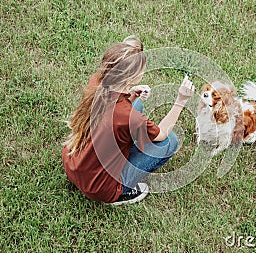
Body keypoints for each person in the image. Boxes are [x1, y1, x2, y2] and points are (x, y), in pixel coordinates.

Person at [62, 35, 194, 205]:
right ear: (132, 77)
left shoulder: (97, 81)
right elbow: (161, 135)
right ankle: (121, 193)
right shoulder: (128, 117)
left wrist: (129, 95)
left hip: (73, 163)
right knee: (171, 142)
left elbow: (111, 114)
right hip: (99, 187)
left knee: (136, 104)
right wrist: (181, 101)